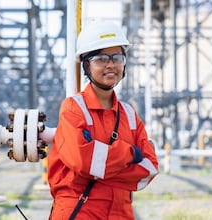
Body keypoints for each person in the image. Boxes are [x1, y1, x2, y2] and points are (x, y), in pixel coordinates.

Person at [47, 20, 159, 220]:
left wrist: (98, 167)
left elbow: (149, 168)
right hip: (80, 212)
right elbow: (82, 160)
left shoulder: (129, 114)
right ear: (86, 64)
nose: (110, 64)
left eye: (117, 57)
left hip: (121, 213)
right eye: (101, 58)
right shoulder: (73, 109)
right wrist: (130, 153)